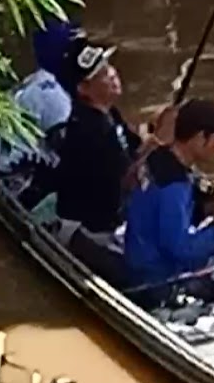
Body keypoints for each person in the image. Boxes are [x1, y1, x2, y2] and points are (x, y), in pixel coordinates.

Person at [124, 98, 214, 306]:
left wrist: (205, 208)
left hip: (139, 258)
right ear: (201, 137)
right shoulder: (173, 187)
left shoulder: (157, 158)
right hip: (158, 282)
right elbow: (182, 250)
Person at [55, 37, 173, 239]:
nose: (112, 73)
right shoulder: (91, 131)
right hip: (95, 225)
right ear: (84, 88)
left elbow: (133, 149)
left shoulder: (109, 113)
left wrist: (151, 140)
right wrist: (154, 147)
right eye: (101, 73)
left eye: (108, 66)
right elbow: (125, 182)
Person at [0, 18, 83, 201]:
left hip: (7, 167)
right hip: (22, 181)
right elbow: (71, 155)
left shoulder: (39, 80)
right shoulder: (54, 97)